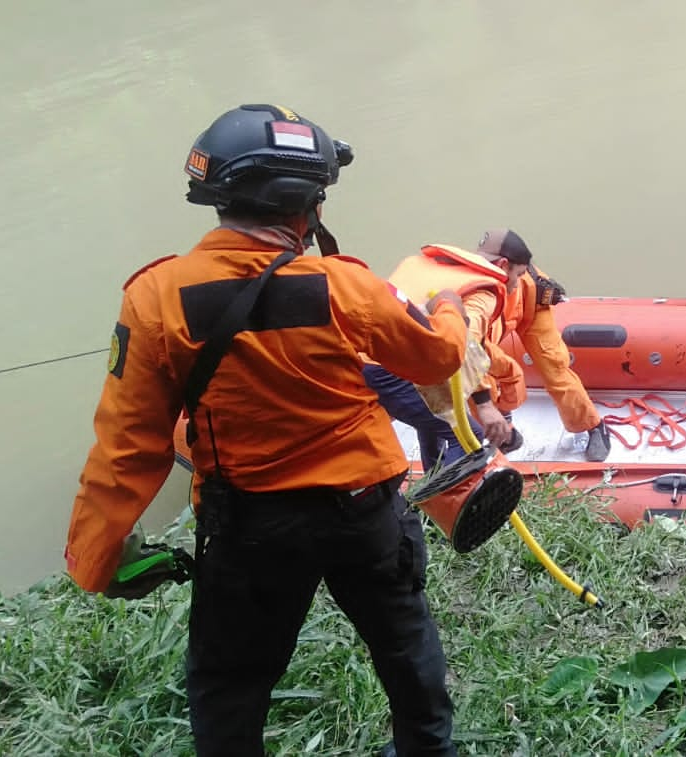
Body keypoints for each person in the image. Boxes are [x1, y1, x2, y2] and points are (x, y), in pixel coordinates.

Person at [63, 104, 502, 755]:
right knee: (404, 640)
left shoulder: (155, 298)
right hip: (364, 512)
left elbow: (129, 445)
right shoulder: (345, 286)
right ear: (308, 205)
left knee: (230, 681)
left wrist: (96, 558)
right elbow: (438, 359)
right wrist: (446, 308)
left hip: (250, 529)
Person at [363, 242, 526, 473]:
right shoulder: (483, 294)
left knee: (434, 417)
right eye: (519, 275)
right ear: (503, 266)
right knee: (469, 439)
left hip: (367, 354)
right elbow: (465, 343)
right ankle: (454, 505)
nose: (518, 284)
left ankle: (433, 484)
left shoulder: (423, 265)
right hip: (388, 368)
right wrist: (485, 405)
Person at [474, 228, 611, 462]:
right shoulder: (475, 296)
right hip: (494, 314)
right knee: (479, 374)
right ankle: (501, 433)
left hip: (531, 307)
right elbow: (473, 352)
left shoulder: (522, 282)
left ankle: (593, 426)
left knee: (554, 367)